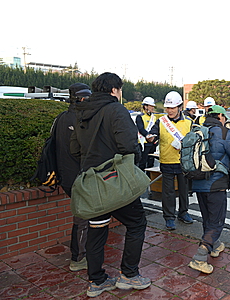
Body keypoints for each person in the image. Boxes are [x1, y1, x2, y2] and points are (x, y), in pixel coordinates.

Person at [71, 72, 150, 297]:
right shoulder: (116, 109)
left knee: (97, 230)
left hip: (92, 184)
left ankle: (97, 281)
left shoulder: (81, 112)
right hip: (115, 181)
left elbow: (74, 150)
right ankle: (129, 275)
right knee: (136, 224)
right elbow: (128, 144)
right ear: (115, 90)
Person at [188, 105, 230, 274]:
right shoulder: (224, 133)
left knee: (208, 218)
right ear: (220, 116)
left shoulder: (198, 130)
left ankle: (215, 245)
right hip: (216, 184)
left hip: (198, 182)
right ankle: (199, 257)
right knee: (217, 221)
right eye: (224, 117)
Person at [54, 83, 90, 272]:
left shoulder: (60, 118)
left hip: (65, 176)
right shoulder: (81, 119)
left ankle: (82, 253)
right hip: (79, 178)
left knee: (83, 217)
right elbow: (82, 151)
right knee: (82, 219)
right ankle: (78, 258)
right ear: (81, 98)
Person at [149, 91, 193, 231]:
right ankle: (169, 217)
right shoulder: (161, 121)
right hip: (167, 161)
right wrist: (151, 138)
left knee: (184, 189)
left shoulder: (188, 122)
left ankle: (183, 212)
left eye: (173, 107)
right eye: (168, 108)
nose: (170, 110)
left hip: (183, 162)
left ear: (180, 107)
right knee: (168, 192)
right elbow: (154, 135)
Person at [136, 97, 158, 171]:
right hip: (143, 143)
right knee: (142, 163)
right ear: (145, 106)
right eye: (151, 106)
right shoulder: (140, 117)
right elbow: (141, 129)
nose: (152, 108)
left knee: (151, 164)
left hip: (152, 143)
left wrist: (154, 138)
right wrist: (148, 136)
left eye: (153, 106)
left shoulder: (154, 117)